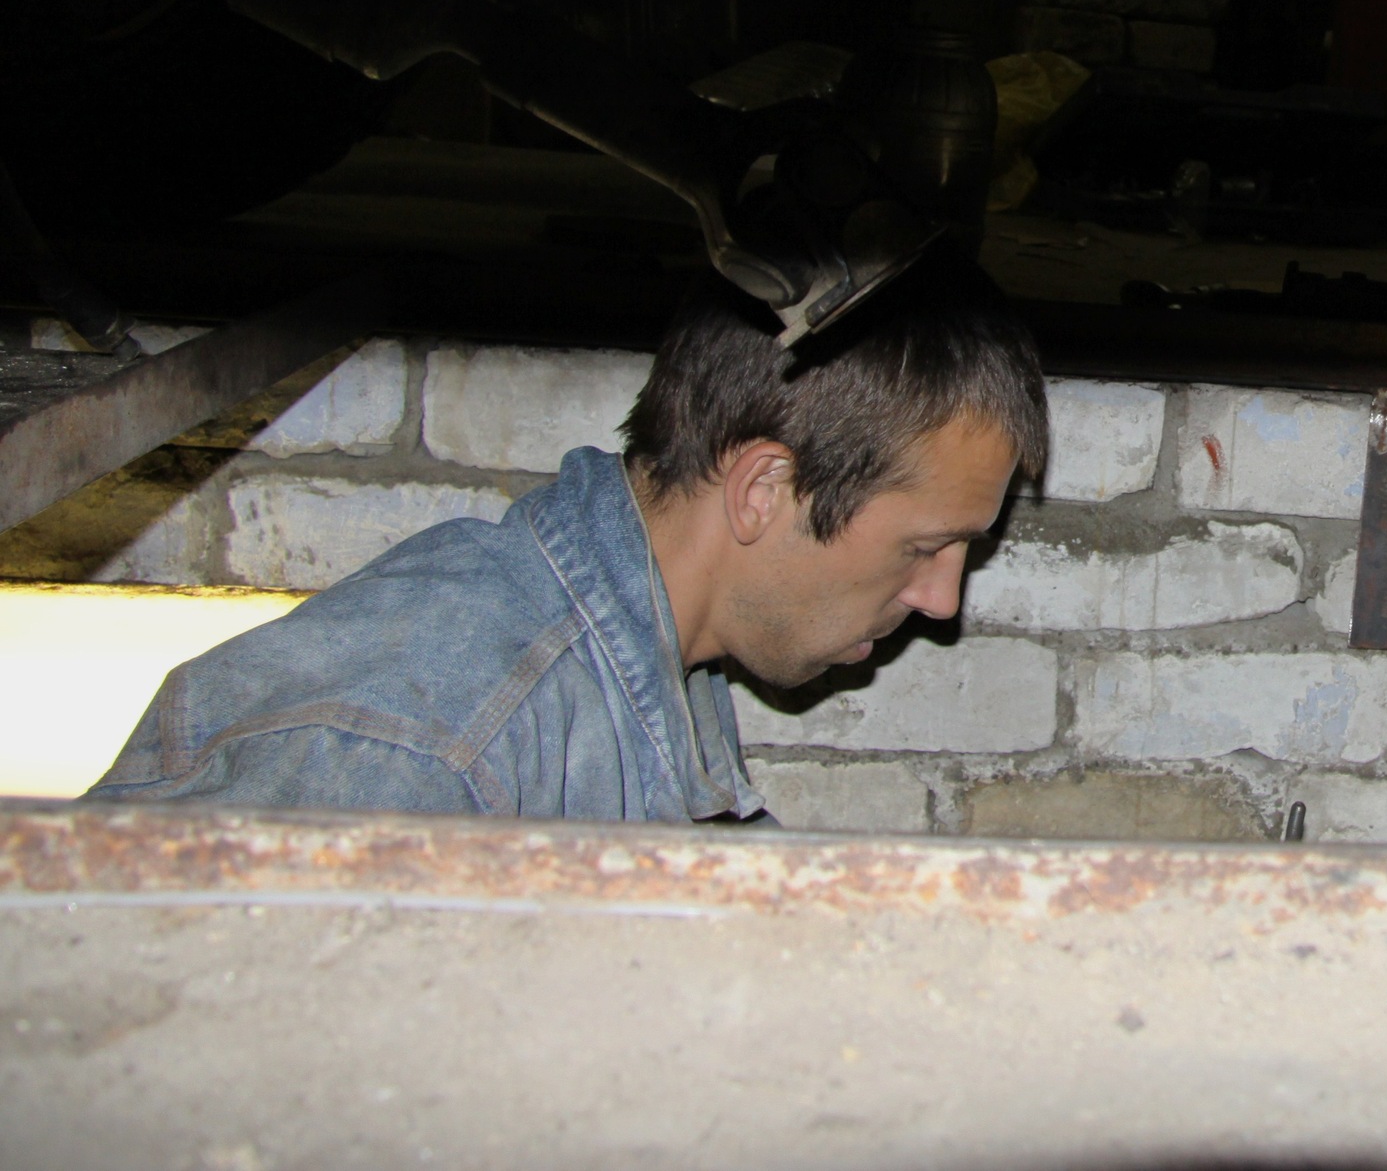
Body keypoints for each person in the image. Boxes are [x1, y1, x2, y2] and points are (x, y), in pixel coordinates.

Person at [86, 250, 1048, 821]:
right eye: (924, 546)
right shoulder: (423, 756)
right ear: (765, 488)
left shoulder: (651, 672)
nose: (942, 600)